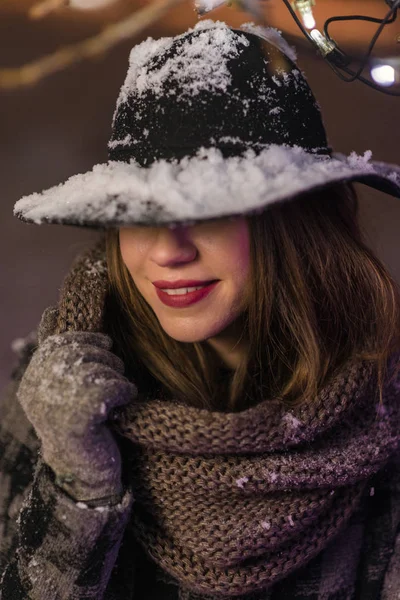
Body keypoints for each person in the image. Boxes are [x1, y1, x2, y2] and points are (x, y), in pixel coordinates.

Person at [1, 19, 400, 600]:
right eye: (139, 215)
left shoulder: (386, 406)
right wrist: (78, 485)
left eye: (211, 209)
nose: (168, 250)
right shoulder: (57, 396)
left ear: (293, 222)